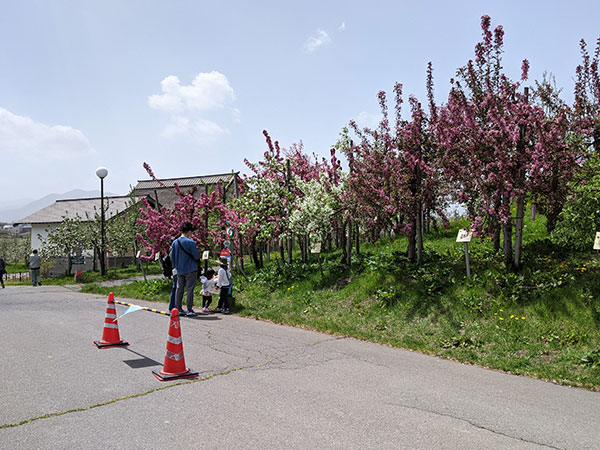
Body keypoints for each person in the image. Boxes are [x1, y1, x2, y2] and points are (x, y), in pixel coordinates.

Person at [170, 222, 200, 317]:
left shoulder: (175, 242)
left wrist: (176, 266)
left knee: (179, 289)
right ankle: (189, 309)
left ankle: (178, 308)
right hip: (191, 269)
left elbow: (172, 257)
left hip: (179, 270)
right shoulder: (191, 242)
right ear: (189, 231)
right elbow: (196, 256)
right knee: (190, 289)